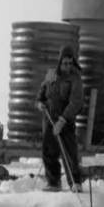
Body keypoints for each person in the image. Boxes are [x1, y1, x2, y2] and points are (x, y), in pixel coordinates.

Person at [36, 44, 84, 192]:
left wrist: (62, 121)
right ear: (60, 62)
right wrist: (39, 103)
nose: (67, 66)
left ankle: (75, 182)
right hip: (49, 119)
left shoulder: (75, 80)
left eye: (70, 63)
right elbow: (42, 93)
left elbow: (76, 102)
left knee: (69, 153)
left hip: (66, 121)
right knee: (48, 151)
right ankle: (53, 182)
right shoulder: (51, 75)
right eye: (64, 63)